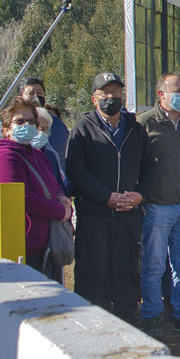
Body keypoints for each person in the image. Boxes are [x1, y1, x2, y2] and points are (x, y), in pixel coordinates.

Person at [65, 72, 149, 325]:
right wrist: (106, 197)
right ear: (94, 99)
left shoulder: (135, 130)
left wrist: (140, 195)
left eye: (116, 92)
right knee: (93, 273)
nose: (111, 97)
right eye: (105, 93)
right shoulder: (81, 130)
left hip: (129, 216)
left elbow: (149, 168)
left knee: (126, 272)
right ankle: (92, 326)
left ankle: (128, 324)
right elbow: (76, 170)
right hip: (95, 215)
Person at [137, 73, 180, 338]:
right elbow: (135, 164)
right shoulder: (145, 124)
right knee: (154, 265)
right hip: (156, 207)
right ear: (161, 94)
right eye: (176, 90)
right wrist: (141, 197)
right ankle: (152, 316)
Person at [0, 98, 72, 282]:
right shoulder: (5, 157)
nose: (27, 125)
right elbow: (21, 198)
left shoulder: (38, 155)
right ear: (6, 129)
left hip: (45, 244)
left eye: (31, 121)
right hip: (22, 246)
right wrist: (60, 211)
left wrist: (61, 197)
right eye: (19, 121)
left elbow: (52, 184)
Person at [0, 77, 69, 160]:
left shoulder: (57, 123)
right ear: (20, 99)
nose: (36, 97)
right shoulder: (10, 124)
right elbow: (3, 151)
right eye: (30, 93)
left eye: (39, 93)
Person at [33, 106, 69, 194]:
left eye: (45, 129)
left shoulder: (51, 155)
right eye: (37, 128)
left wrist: (62, 196)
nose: (41, 133)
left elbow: (60, 185)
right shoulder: (17, 155)